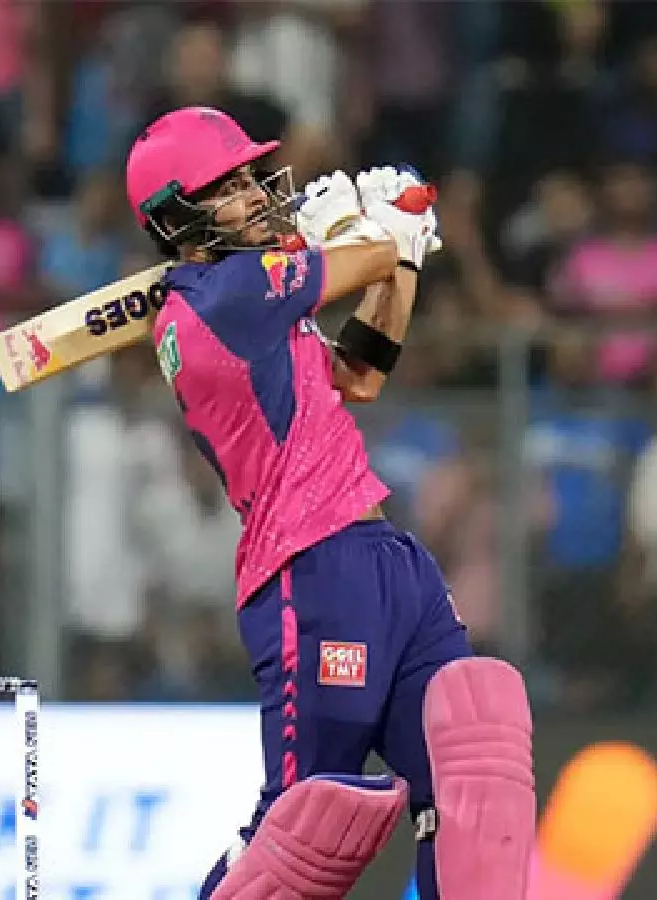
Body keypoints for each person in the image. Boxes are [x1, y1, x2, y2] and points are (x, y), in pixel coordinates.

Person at [123, 106, 535, 900]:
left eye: (251, 178)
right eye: (228, 188)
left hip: (387, 560)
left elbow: (363, 373)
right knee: (306, 823)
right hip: (309, 569)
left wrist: (399, 256)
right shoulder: (223, 295)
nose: (255, 194)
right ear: (176, 220)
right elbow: (365, 256)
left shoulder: (258, 302)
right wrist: (377, 234)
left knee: (472, 768)